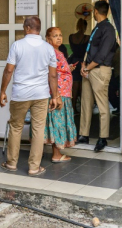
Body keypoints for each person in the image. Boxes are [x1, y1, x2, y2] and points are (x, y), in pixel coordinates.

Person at [0, 16, 62, 176]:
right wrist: (54, 96)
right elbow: (53, 76)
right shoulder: (48, 48)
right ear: (39, 29)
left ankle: (11, 163)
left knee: (16, 127)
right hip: (41, 94)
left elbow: (8, 70)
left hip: (21, 94)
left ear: (27, 28)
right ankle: (34, 167)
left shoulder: (17, 45)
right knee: (38, 129)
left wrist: (3, 91)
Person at [78, 0, 117, 152]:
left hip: (99, 70)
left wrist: (87, 67)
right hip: (88, 69)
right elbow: (90, 49)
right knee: (85, 103)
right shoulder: (98, 27)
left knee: (102, 105)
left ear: (95, 11)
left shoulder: (108, 29)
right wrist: (83, 65)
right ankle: (84, 134)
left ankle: (103, 137)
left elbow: (102, 54)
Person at [44, 27, 77, 162]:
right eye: (55, 36)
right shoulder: (51, 52)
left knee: (59, 120)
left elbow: (59, 70)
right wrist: (56, 96)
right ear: (48, 39)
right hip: (58, 93)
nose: (58, 38)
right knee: (58, 121)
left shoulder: (58, 52)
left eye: (60, 35)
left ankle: (57, 152)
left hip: (62, 92)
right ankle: (56, 154)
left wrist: (68, 69)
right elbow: (51, 73)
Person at [69, 19, 89, 114]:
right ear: (85, 27)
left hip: (74, 62)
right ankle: (83, 109)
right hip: (82, 62)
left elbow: (73, 49)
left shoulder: (71, 37)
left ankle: (73, 107)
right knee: (82, 86)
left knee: (75, 86)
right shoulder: (87, 38)